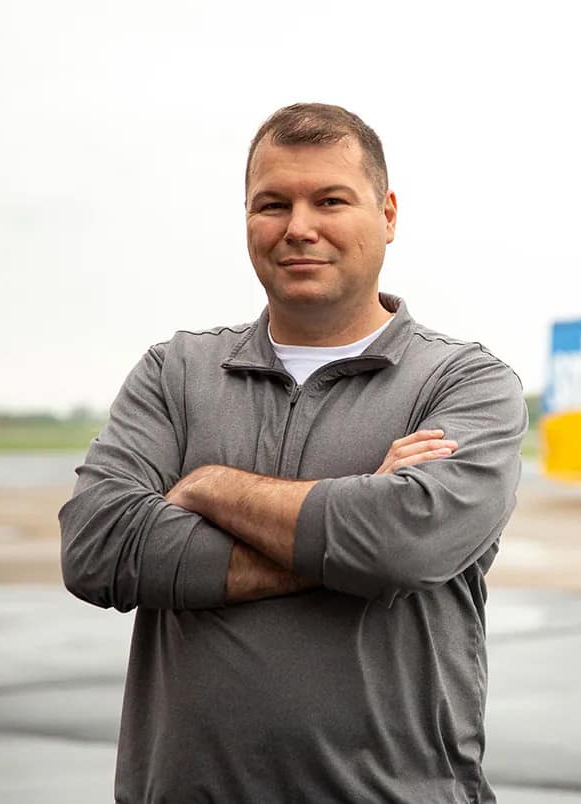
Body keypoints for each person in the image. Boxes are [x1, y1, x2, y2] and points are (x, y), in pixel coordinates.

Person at [58, 102, 526, 803]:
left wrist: (211, 486)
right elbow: (97, 548)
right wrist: (349, 530)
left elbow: (404, 543)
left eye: (330, 200)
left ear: (388, 215)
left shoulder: (466, 382)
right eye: (272, 204)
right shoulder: (175, 373)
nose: (299, 227)